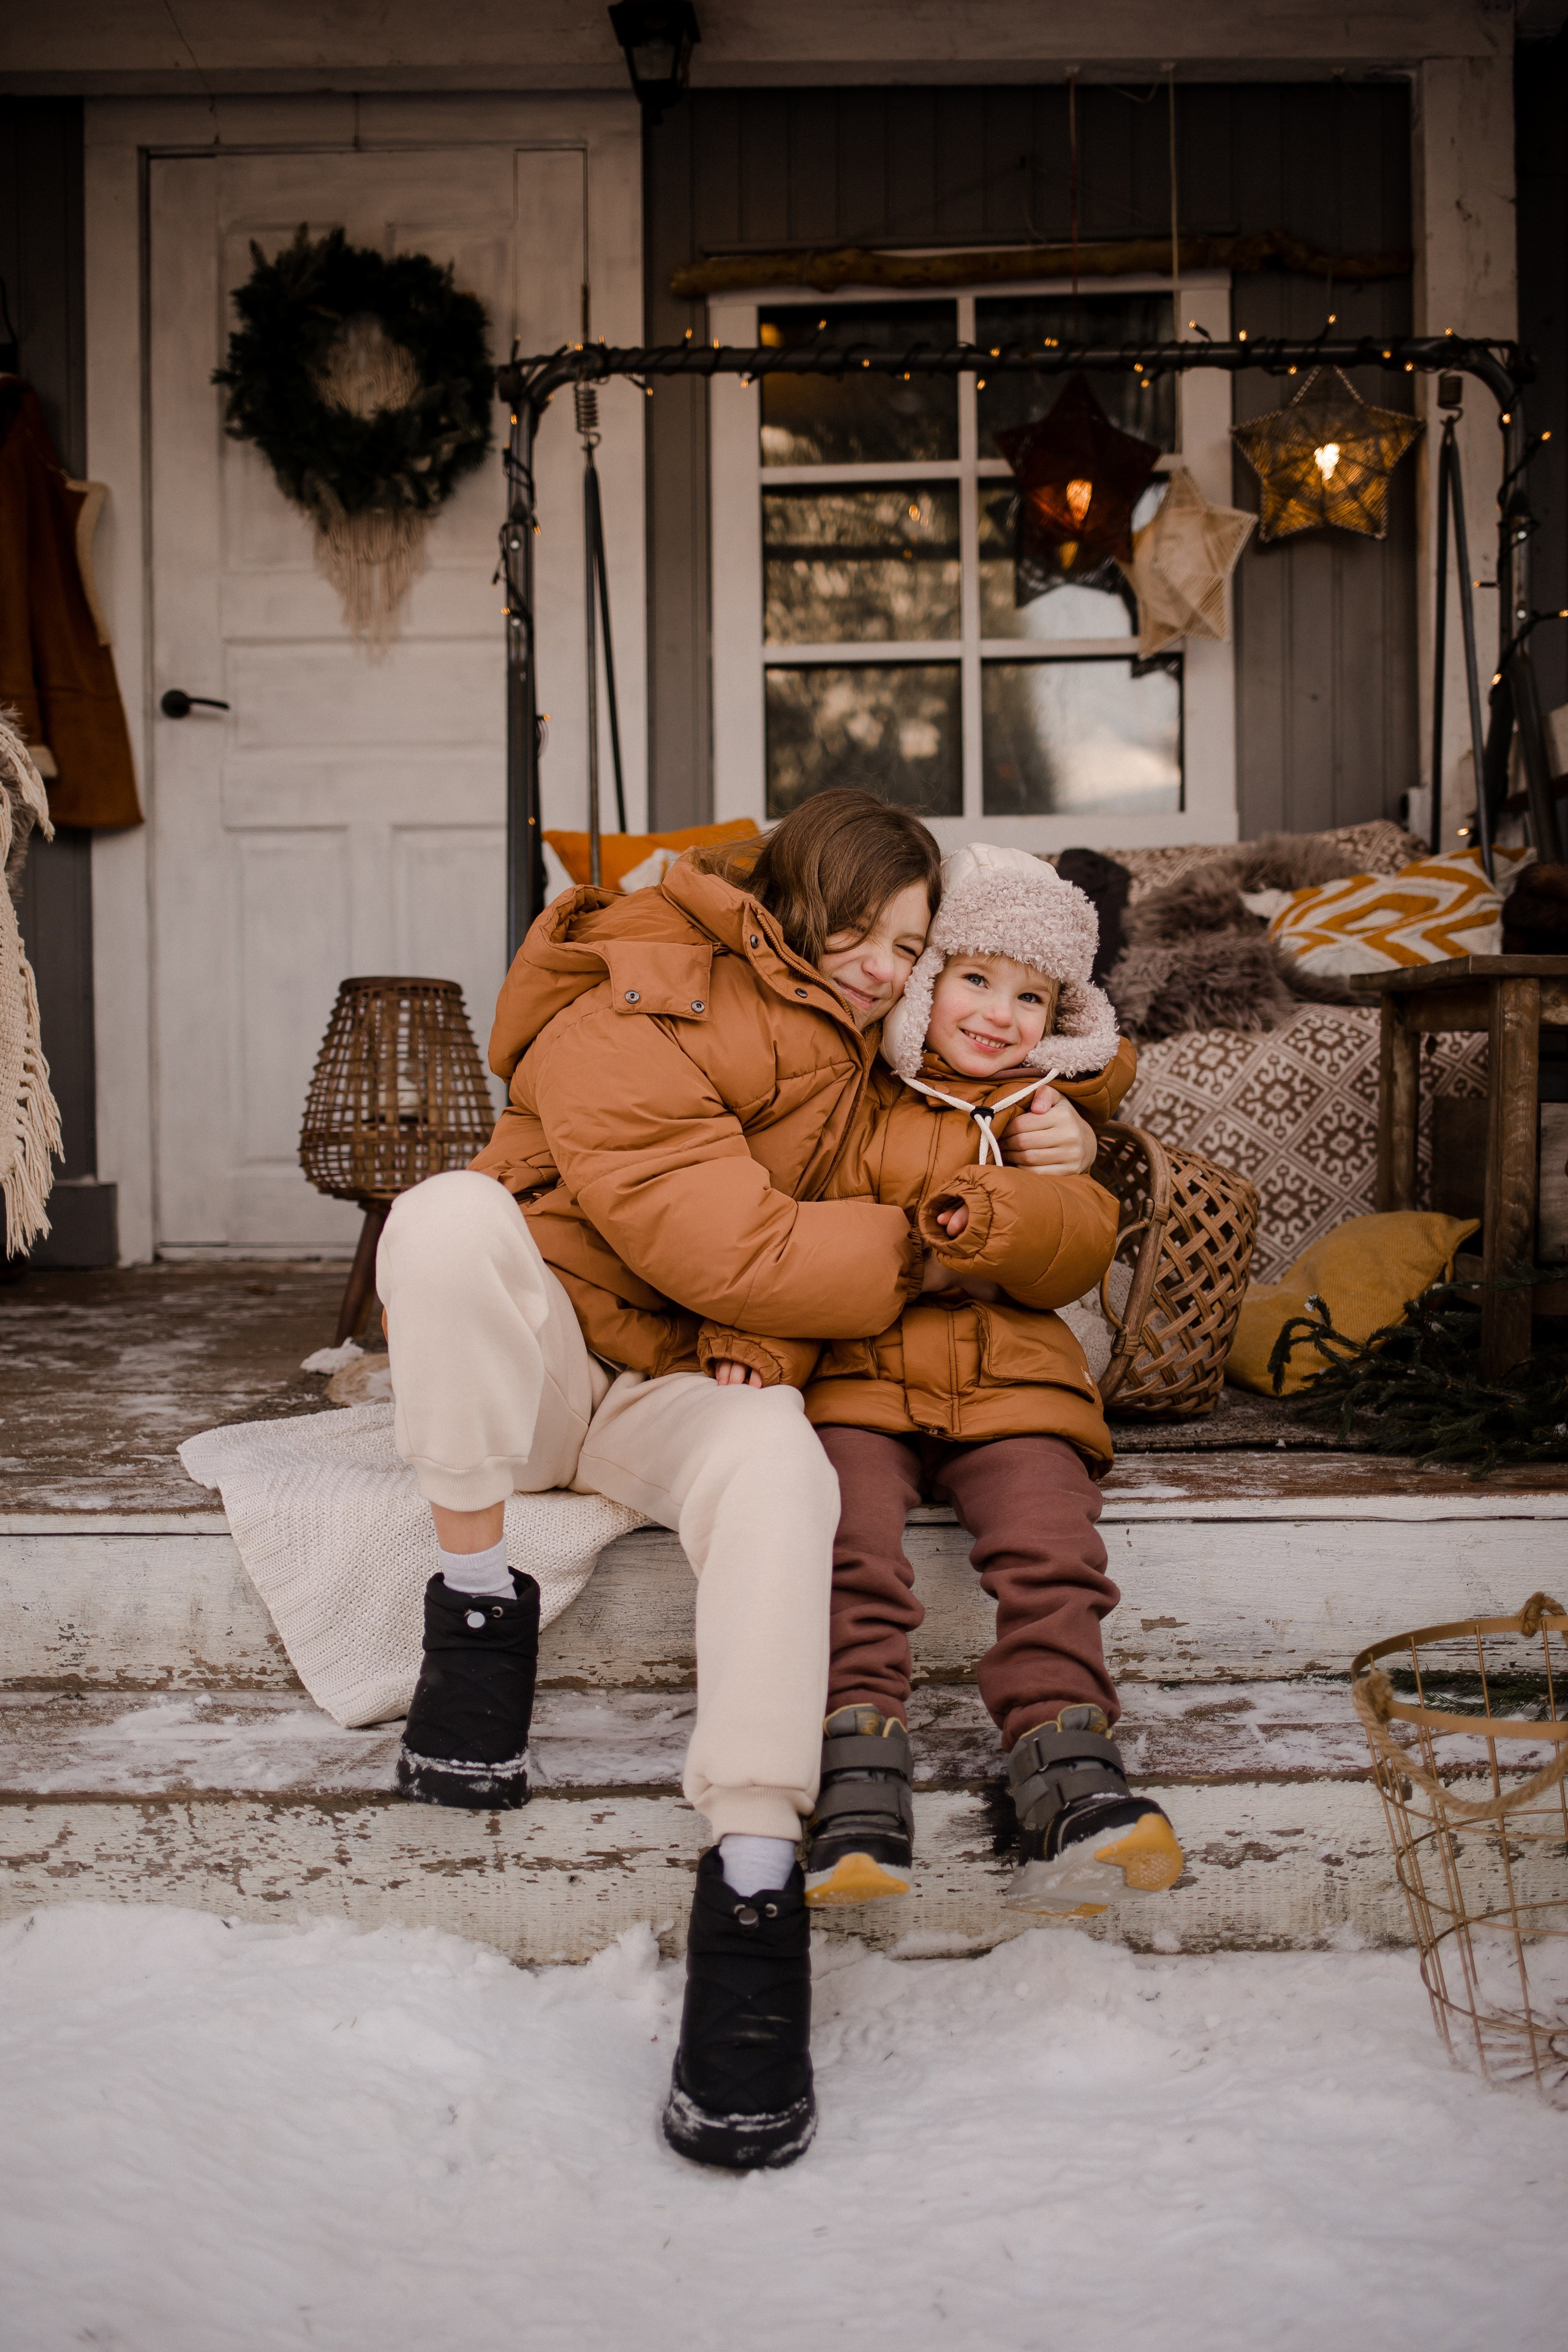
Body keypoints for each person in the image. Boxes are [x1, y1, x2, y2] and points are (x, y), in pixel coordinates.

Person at [375, 789, 944, 2173]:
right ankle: (476, 1605)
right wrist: (920, 1248)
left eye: (911, 947)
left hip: (680, 1383)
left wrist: (1050, 1156)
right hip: (552, 1363)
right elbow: (725, 1243)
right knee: (442, 1216)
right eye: (864, 934)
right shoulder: (648, 979)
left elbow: (979, 1162)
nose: (886, 969)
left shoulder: (868, 1047)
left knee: (779, 1455)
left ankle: (752, 1881)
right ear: (796, 906)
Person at [748, 842, 1185, 1919]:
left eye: (1030, 997)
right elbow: (801, 1224)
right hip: (861, 1378)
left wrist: (1038, 1186)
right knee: (846, 1544)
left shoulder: (1052, 1124)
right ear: (925, 984)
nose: (998, 1014)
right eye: (976, 980)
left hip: (1018, 1388)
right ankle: (858, 1756)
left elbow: (1078, 1248)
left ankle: (1065, 1756)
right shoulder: (855, 1097)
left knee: (1052, 1550)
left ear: (1061, 1017)